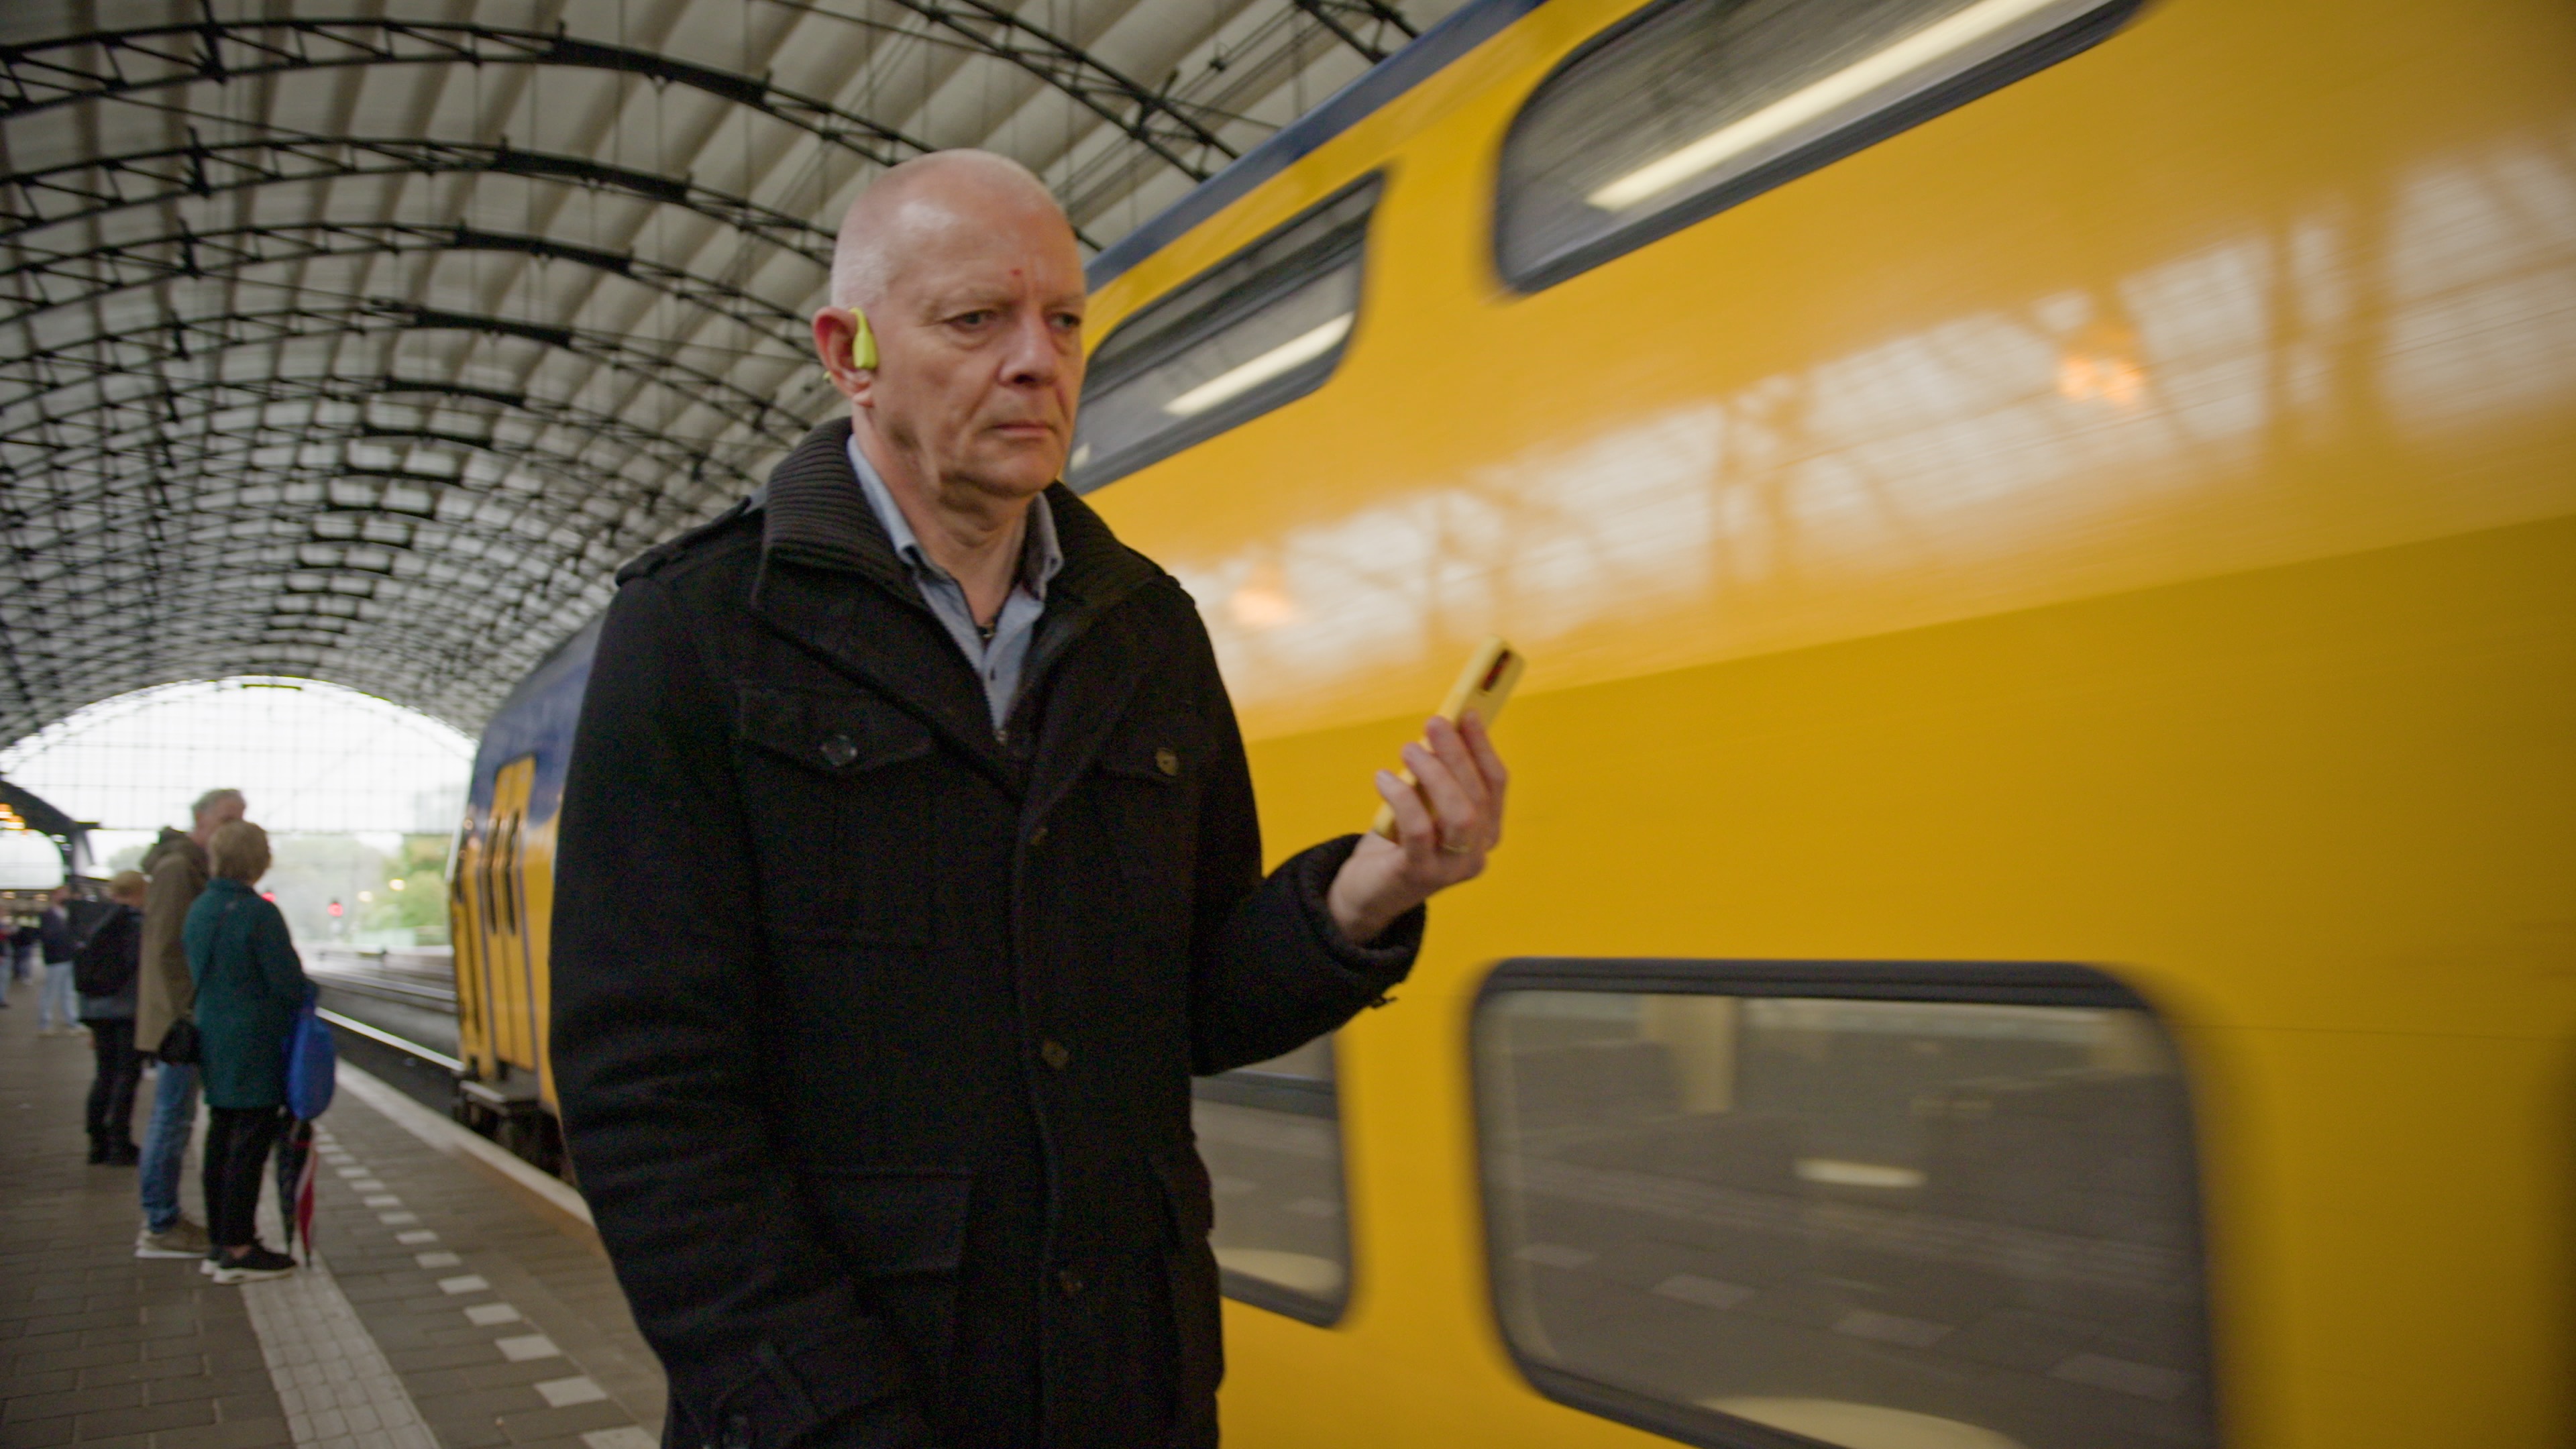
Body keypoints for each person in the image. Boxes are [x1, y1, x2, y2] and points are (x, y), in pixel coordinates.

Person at [551, 150, 1510, 1449]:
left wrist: (1369, 891)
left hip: (1131, 1396)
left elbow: (1195, 999)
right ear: (851, 351)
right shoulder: (702, 632)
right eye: (976, 320)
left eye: (1062, 319)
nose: (1038, 360)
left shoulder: (1145, 631)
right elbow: (647, 1104)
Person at [184, 819, 306, 1285]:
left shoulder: (201, 909)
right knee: (250, 1146)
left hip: (214, 1037)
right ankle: (240, 1247)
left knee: (222, 1138)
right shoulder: (258, 914)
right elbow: (287, 985)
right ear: (258, 859)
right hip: (255, 1041)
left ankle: (220, 1242)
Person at [133, 788, 246, 1260]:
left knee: (177, 1117)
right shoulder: (180, 870)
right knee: (172, 1118)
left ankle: (164, 1218)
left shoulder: (193, 867)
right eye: (227, 817)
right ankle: (161, 1224)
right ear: (201, 819)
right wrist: (188, 1016)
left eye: (240, 817)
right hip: (180, 1023)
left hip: (183, 1016)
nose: (235, 825)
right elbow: (166, 951)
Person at [78, 871, 150, 1164]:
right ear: (139, 893)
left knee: (104, 1074)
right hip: (127, 1010)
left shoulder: (94, 920)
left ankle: (97, 1143)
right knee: (126, 1075)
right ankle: (120, 1144)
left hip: (96, 1009)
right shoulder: (137, 924)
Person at [37, 885, 83, 1036]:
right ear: (54, 896)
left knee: (68, 992)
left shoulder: (68, 915)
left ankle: (72, 1021)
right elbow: (48, 937)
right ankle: (44, 1024)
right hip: (56, 959)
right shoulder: (48, 916)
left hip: (68, 958)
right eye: (63, 894)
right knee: (50, 992)